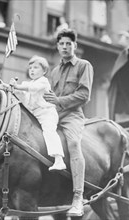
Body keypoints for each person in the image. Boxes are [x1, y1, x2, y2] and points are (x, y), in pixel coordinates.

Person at [43, 29, 93, 216]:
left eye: (68, 44)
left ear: (75, 46)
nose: (65, 47)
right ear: (57, 46)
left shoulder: (83, 65)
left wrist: (59, 101)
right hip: (54, 114)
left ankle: (78, 197)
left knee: (72, 144)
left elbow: (84, 94)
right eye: (62, 44)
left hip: (72, 115)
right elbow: (50, 96)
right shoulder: (55, 71)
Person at [10, 55, 66, 171]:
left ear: (44, 71)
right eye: (30, 68)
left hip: (46, 113)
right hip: (34, 114)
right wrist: (7, 86)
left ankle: (59, 160)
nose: (32, 70)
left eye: (36, 68)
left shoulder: (43, 82)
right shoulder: (28, 83)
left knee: (49, 131)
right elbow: (20, 91)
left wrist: (17, 86)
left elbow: (32, 88)